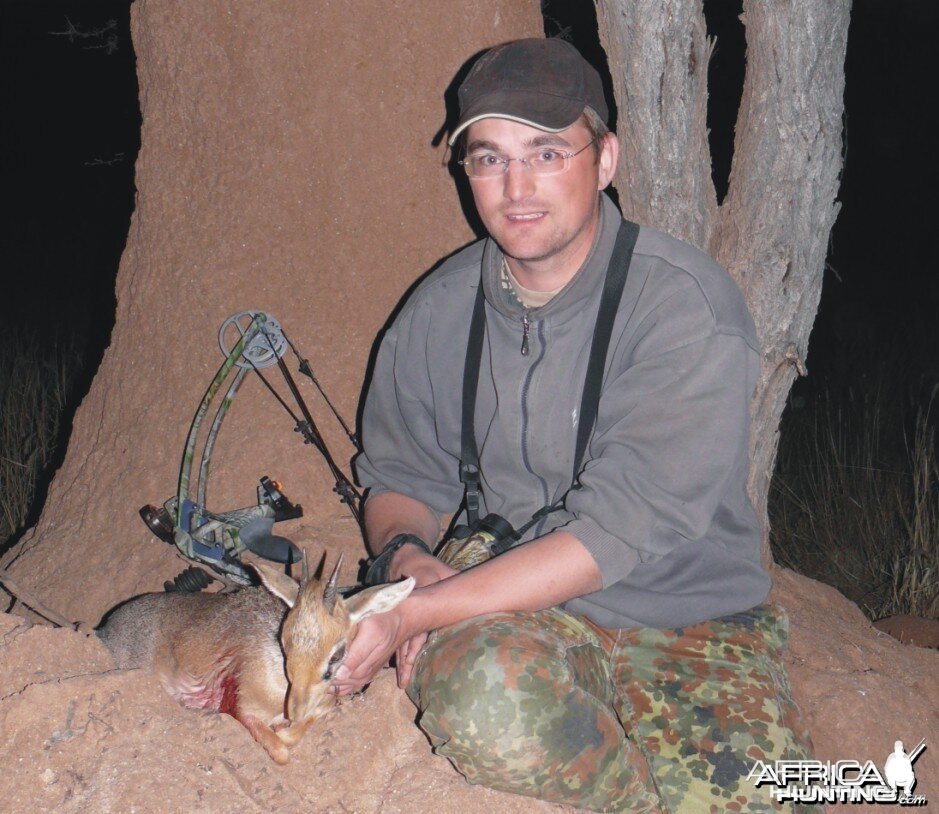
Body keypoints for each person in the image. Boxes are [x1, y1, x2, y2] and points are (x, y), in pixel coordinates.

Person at [333, 37, 813, 812]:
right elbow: (399, 477)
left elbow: (611, 535)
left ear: (606, 158)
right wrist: (407, 557)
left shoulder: (685, 309)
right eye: (488, 159)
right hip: (506, 590)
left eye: (546, 153)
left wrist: (415, 615)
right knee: (485, 705)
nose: (515, 188)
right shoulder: (438, 311)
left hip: (688, 614)